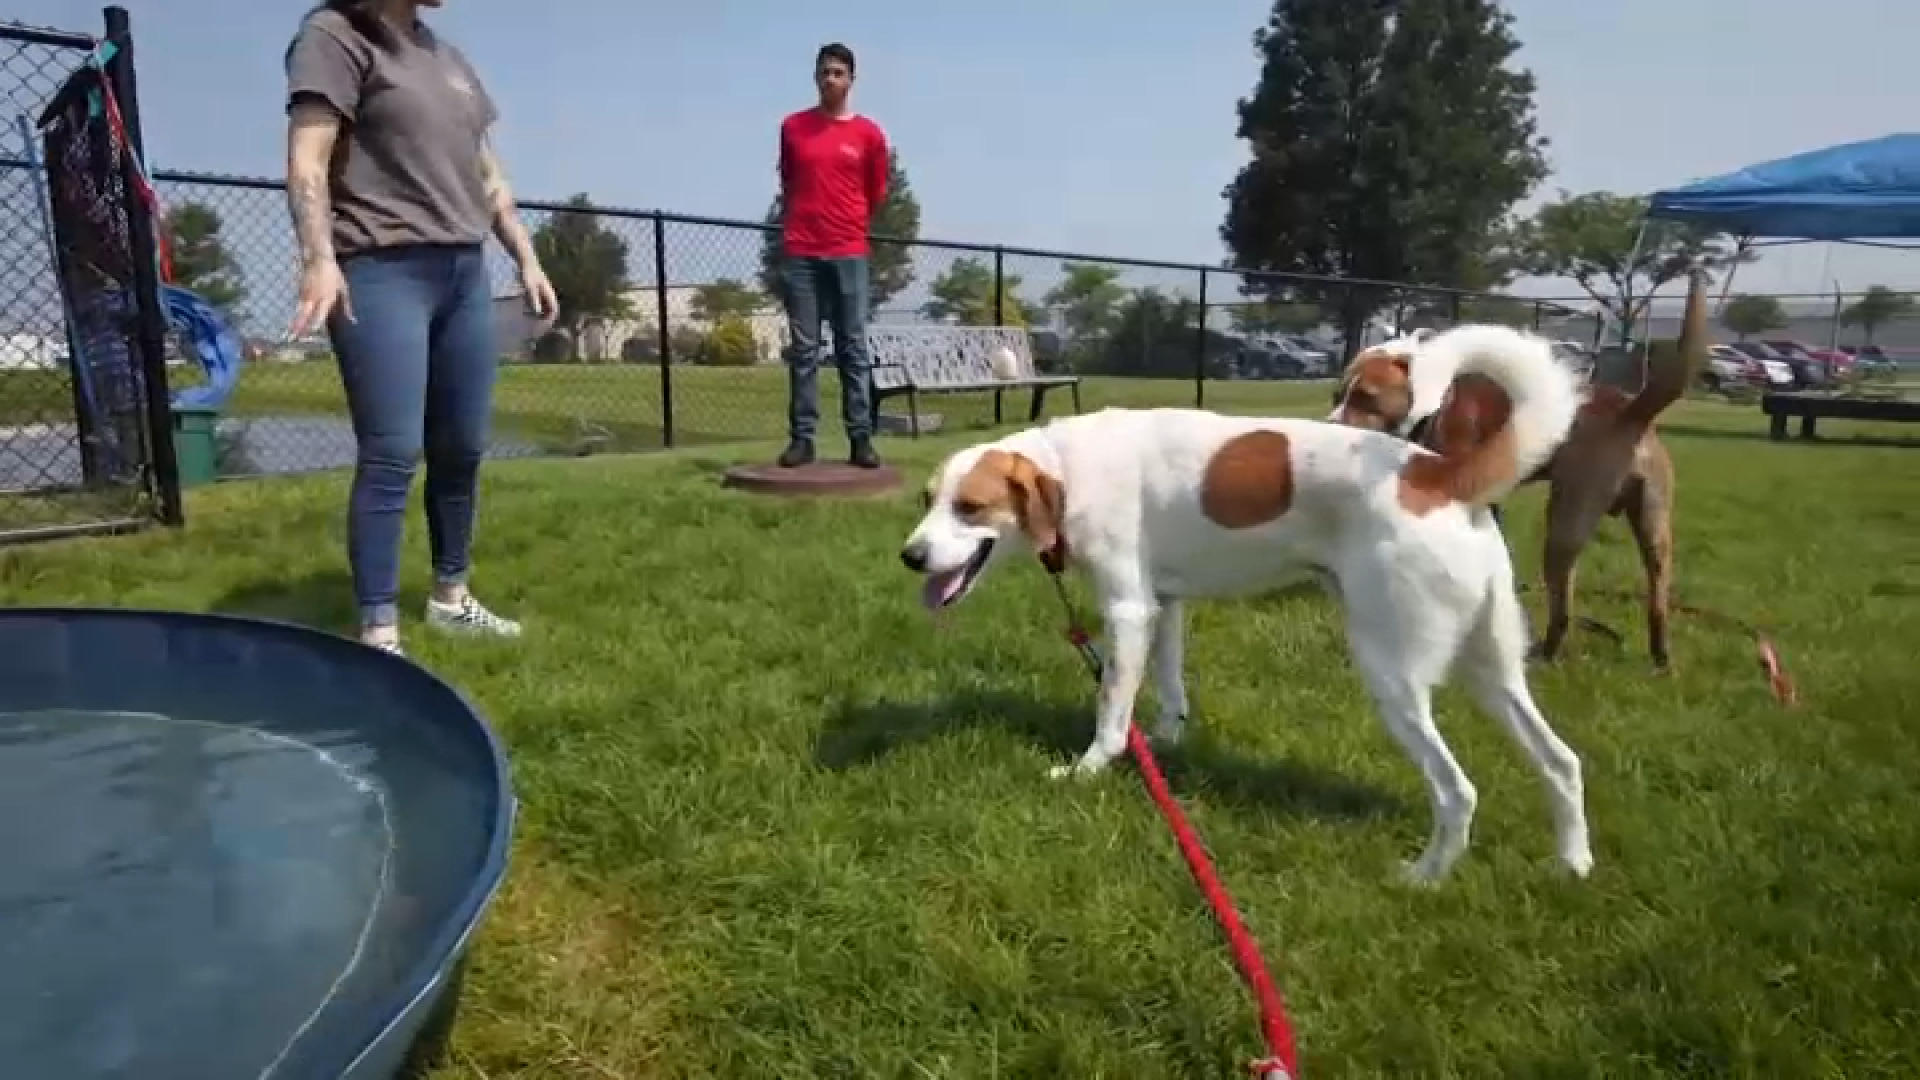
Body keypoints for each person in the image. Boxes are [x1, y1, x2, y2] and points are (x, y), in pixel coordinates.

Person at [282, 0, 558, 657]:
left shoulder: (446, 57)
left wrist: (526, 254)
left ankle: (451, 598)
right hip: (380, 268)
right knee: (392, 450)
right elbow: (308, 160)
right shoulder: (334, 36)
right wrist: (320, 259)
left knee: (462, 444)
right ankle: (378, 631)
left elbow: (487, 174)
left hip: (464, 272)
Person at [774, 42, 890, 470]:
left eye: (838, 73)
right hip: (802, 250)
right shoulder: (793, 127)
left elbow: (876, 189)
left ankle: (861, 439)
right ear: (816, 78)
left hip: (848, 251)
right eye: (824, 72)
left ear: (851, 80)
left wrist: (850, 222)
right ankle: (802, 440)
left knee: (852, 348)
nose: (830, 80)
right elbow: (788, 178)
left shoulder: (869, 135)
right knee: (804, 350)